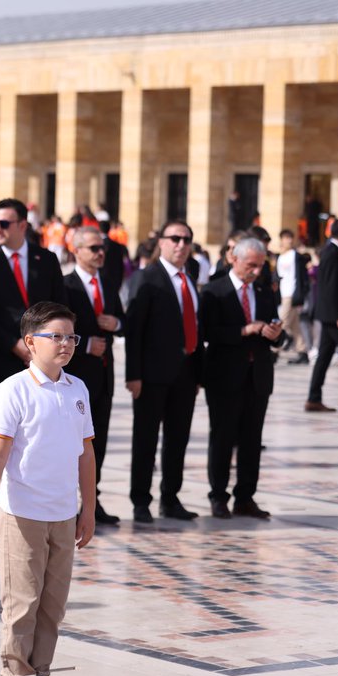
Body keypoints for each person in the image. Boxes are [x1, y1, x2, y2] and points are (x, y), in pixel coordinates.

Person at [0, 301, 95, 676]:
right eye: (56, 337)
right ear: (31, 342)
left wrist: (88, 508)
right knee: (22, 601)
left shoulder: (78, 389)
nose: (65, 344)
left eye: (71, 337)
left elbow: (86, 454)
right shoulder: (13, 389)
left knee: (53, 603)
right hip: (21, 512)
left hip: (63, 513)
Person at [125, 220, 204, 523]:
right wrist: (133, 374)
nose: (181, 245)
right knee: (146, 438)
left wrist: (198, 374)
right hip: (151, 374)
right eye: (175, 239)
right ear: (161, 242)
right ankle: (141, 500)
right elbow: (135, 329)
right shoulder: (147, 278)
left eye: (186, 240)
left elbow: (195, 325)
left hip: (186, 372)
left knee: (178, 438)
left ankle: (170, 498)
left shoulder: (190, 278)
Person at [200, 238, 284, 520]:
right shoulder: (214, 291)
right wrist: (243, 330)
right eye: (251, 265)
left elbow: (275, 327)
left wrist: (276, 335)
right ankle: (218, 495)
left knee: (252, 438)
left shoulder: (263, 290)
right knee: (223, 437)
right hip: (225, 375)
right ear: (234, 259)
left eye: (260, 266)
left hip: (257, 375)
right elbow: (207, 332)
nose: (256, 271)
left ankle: (245, 496)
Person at [0, 198, 67, 432]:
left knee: (41, 422)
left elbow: (58, 305)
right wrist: (15, 345)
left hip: (42, 355)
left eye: (4, 223)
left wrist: (41, 344)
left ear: (22, 225)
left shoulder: (46, 259)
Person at [62, 227, 125, 527]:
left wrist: (117, 323)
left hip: (104, 376)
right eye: (94, 248)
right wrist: (85, 344)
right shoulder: (67, 286)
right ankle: (66, 501)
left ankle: (92, 501)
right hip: (76, 374)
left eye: (103, 249)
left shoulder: (108, 284)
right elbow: (58, 328)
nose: (100, 253)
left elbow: (123, 321)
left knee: (97, 441)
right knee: (71, 442)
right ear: (77, 251)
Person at [305, 218, 338, 412]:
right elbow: (330, 287)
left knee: (324, 356)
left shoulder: (335, 252)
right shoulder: (332, 253)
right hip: (335, 316)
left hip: (331, 315)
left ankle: (313, 398)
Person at [275, 229, 309, 364]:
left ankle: (274, 350)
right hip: (283, 293)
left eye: (290, 237)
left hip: (291, 294)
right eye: (286, 238)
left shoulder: (296, 256)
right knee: (295, 325)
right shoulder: (280, 257)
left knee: (281, 322)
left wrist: (300, 294)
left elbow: (302, 276)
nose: (288, 240)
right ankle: (302, 351)